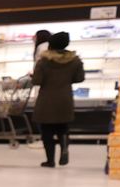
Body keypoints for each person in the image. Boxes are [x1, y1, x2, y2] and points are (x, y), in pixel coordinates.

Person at [31, 31, 83, 167]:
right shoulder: (75, 60)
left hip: (46, 100)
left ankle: (50, 160)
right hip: (65, 99)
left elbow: (37, 81)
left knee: (46, 131)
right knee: (63, 128)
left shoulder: (44, 61)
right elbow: (80, 78)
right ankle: (64, 148)